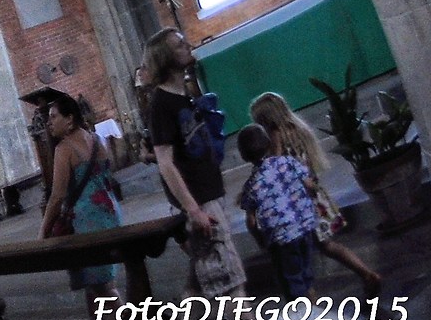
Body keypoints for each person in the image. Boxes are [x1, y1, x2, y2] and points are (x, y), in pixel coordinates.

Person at [144, 30, 246, 302]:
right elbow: (165, 162)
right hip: (200, 201)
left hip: (211, 192)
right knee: (231, 285)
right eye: (179, 45)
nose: (188, 46)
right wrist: (193, 209)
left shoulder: (185, 93)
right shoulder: (161, 104)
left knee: (203, 274)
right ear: (166, 58)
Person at [250, 92, 383, 295]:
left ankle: (312, 303)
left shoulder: (281, 141)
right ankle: (366, 273)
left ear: (269, 121)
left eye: (261, 124)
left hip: (299, 204)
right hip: (314, 198)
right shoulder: (298, 131)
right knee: (326, 245)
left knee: (299, 256)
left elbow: (278, 170)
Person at [36, 93, 122, 320]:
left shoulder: (64, 149)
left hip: (86, 221)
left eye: (53, 117)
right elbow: (108, 174)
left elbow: (57, 195)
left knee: (103, 284)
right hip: (108, 211)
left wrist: (43, 230)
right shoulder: (96, 139)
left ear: (69, 119)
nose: (49, 124)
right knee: (95, 280)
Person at [237, 124, 318, 297]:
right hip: (305, 226)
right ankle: (314, 302)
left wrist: (261, 240)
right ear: (267, 143)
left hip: (282, 238)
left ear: (243, 155)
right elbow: (310, 184)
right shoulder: (288, 162)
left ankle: (306, 317)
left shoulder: (251, 185)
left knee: (292, 279)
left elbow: (251, 221)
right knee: (306, 272)